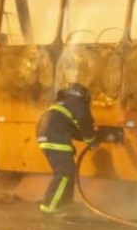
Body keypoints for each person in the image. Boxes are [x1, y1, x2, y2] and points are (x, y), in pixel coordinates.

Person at [36, 83, 98, 217]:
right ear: (82, 95)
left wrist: (89, 138)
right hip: (56, 141)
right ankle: (49, 207)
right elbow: (84, 124)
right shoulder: (78, 103)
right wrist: (92, 141)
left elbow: (74, 130)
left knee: (69, 172)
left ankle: (65, 203)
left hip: (46, 139)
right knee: (63, 174)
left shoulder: (63, 103)